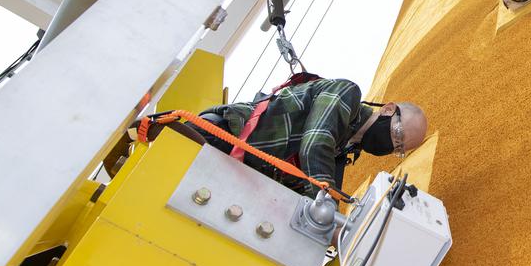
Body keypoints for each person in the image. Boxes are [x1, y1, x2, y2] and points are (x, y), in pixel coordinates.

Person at [133, 77, 428, 197]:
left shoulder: (341, 153)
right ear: (388, 109)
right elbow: (315, 142)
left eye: (399, 149)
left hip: (225, 176)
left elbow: (305, 194)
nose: (392, 145)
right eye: (398, 134)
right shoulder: (347, 95)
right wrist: (327, 206)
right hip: (218, 137)